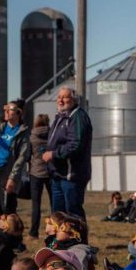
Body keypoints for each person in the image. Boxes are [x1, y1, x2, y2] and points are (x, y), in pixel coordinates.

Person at [42, 87, 93, 225]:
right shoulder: (60, 117)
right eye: (59, 97)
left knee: (73, 213)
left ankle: (79, 243)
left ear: (74, 99)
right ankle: (60, 244)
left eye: (65, 97)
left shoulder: (77, 117)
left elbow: (75, 145)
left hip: (71, 176)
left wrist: (53, 154)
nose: (61, 100)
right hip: (58, 175)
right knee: (58, 215)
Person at [29, 114, 52, 238]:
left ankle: (33, 232)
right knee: (54, 203)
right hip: (50, 171)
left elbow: (28, 155)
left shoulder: (32, 136)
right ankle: (55, 229)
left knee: (36, 204)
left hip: (36, 172)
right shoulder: (52, 134)